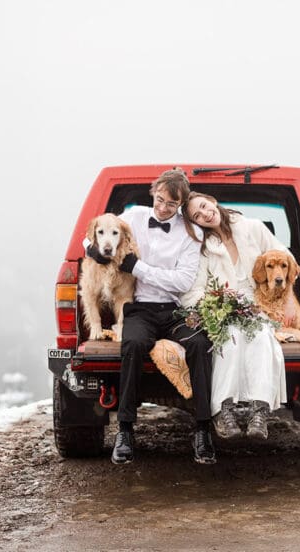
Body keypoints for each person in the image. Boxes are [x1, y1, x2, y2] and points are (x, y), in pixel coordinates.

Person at [104, 168, 216, 465]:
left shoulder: (191, 233)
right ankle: (125, 430)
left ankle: (203, 429)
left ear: (181, 205)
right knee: (133, 345)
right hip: (140, 307)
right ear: (153, 192)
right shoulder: (133, 216)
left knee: (199, 344)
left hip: (177, 310)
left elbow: (182, 282)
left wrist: (138, 268)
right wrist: (94, 251)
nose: (163, 208)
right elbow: (96, 236)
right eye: (160, 199)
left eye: (172, 204)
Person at [180, 192, 290, 440]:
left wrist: (279, 296)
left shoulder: (253, 228)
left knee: (262, 337)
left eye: (204, 206)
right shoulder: (203, 250)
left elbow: (285, 257)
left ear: (213, 200)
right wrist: (213, 303)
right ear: (196, 224)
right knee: (229, 338)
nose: (205, 214)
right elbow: (192, 291)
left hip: (259, 303)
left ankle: (259, 410)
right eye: (197, 216)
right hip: (222, 307)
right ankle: (223, 410)